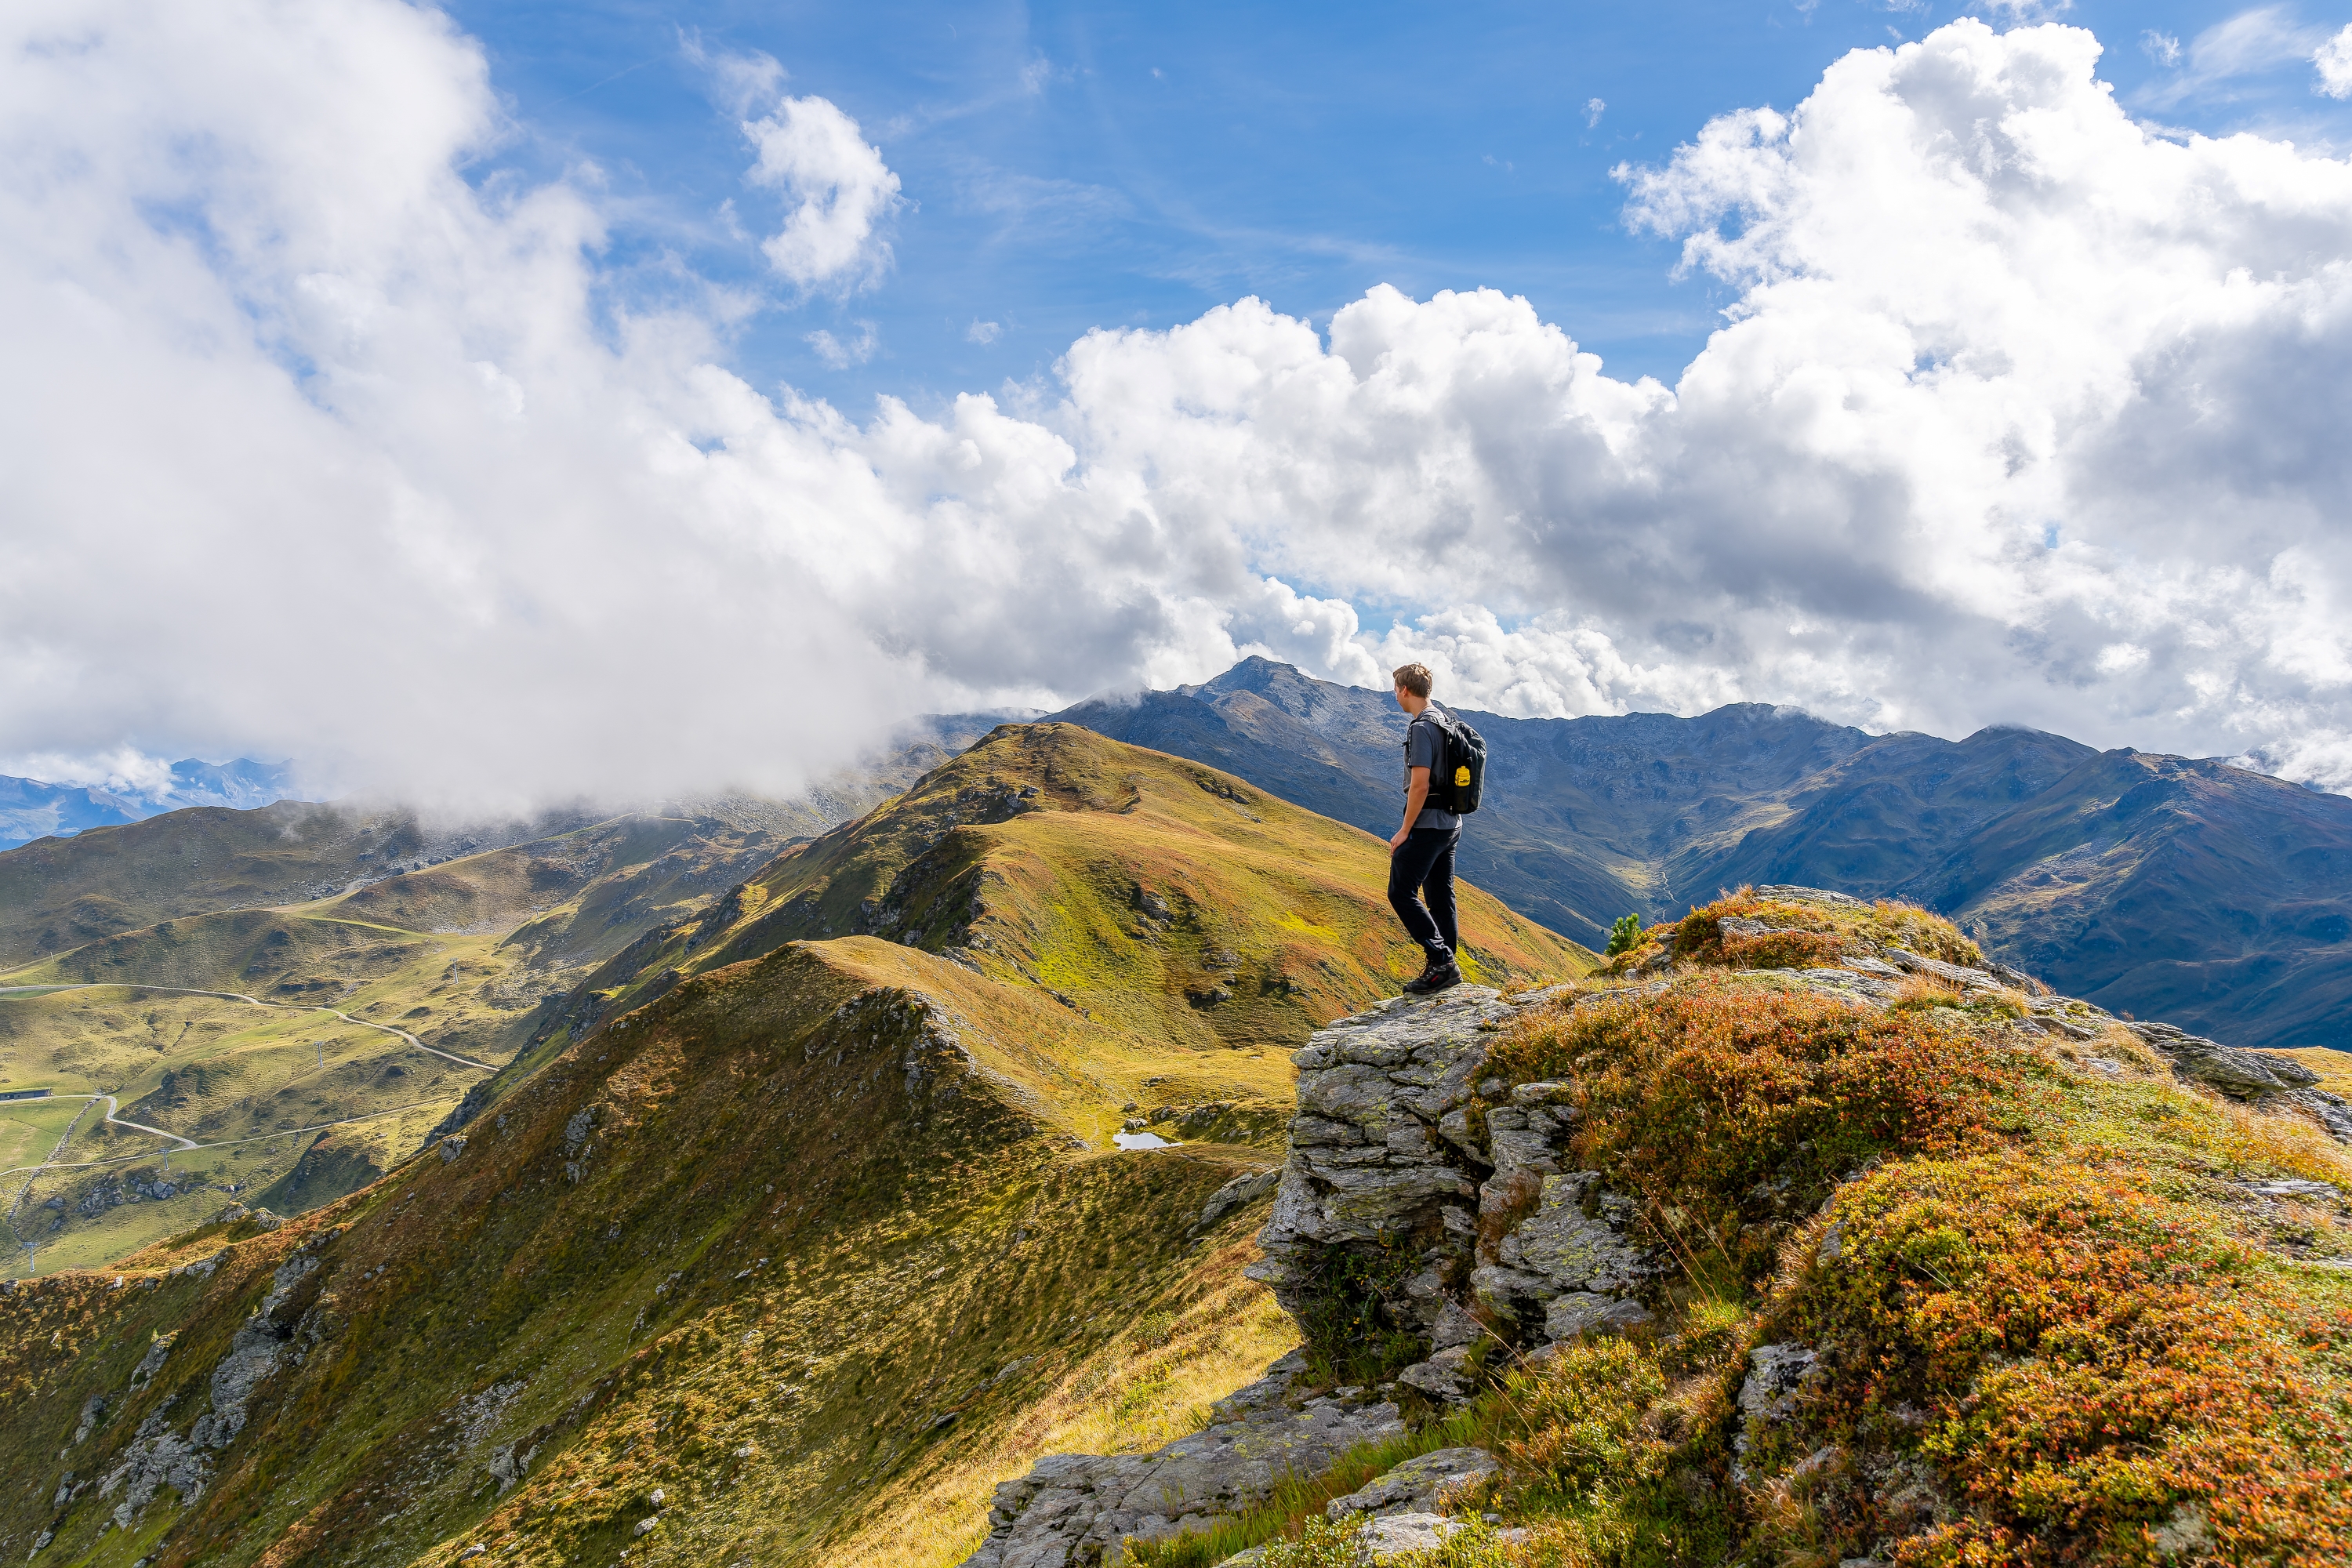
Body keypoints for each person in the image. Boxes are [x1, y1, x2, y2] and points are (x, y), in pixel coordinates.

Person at [1386, 662, 1462, 995]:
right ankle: (1445, 967)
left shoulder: (1420, 728)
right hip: (1451, 823)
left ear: (1405, 690)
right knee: (1440, 896)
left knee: (1401, 892)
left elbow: (1419, 784)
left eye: (1395, 689)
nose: (1395, 696)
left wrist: (1405, 830)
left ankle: (1442, 961)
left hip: (1427, 823)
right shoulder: (1445, 720)